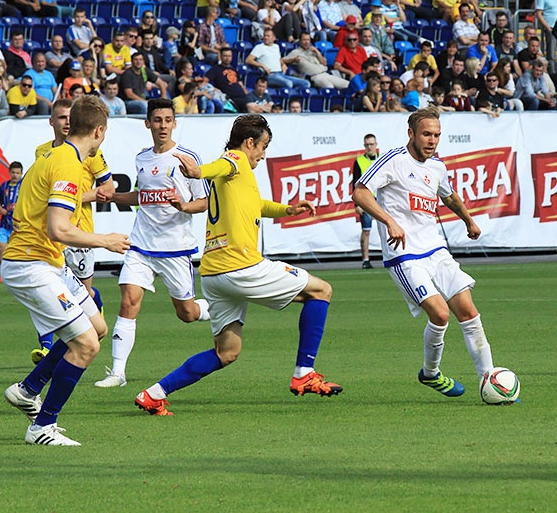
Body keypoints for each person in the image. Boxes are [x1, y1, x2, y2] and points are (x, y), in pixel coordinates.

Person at [134, 114, 343, 416]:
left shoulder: (236, 175)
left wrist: (288, 209)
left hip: (214, 274)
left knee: (227, 352)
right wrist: (196, 172)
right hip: (240, 266)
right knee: (322, 290)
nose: (263, 153)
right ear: (249, 142)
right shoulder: (235, 159)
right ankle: (304, 373)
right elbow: (224, 163)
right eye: (263, 146)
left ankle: (154, 394)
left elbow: (256, 205)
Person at [2, 96, 130, 446]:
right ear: (100, 131)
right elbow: (59, 229)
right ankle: (42, 427)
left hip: (48, 261)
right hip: (30, 264)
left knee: (97, 327)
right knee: (86, 345)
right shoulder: (69, 167)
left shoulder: (57, 156)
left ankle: (28, 389)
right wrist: (105, 240)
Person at [353, 108, 495, 398]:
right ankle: (431, 373)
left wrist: (468, 219)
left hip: (436, 251)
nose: (432, 141)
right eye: (427, 134)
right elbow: (360, 192)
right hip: (404, 255)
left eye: (437, 135)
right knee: (441, 314)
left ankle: (488, 380)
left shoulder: (437, 166)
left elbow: (449, 195)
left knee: (468, 311)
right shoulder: (393, 161)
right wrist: (389, 221)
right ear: (411, 134)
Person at [94, 99, 210, 388]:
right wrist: (115, 197)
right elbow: (142, 196)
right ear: (148, 123)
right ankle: (117, 373)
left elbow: (205, 201)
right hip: (142, 244)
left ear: (174, 123)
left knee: (186, 314)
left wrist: (183, 206)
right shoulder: (142, 158)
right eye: (157, 120)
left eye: (167, 120)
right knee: (128, 301)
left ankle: (213, 309)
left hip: (175, 247)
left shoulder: (187, 158)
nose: (162, 125)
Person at [30, 98, 115, 364]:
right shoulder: (43, 152)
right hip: (52, 234)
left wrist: (73, 198)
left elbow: (108, 188)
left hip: (80, 232)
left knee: (83, 293)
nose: (66, 122)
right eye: (62, 117)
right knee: (51, 291)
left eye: (70, 117)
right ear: (51, 121)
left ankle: (94, 305)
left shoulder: (89, 154)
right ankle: (45, 346)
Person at [352, 134, 378, 269]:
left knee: (389, 227)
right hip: (366, 199)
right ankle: (366, 259)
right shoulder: (359, 161)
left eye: (372, 144)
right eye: (367, 144)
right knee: (366, 230)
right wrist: (357, 204)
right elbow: (354, 184)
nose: (369, 147)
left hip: (382, 199)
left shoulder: (382, 159)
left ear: (376, 145)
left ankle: (392, 256)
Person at [0, 161, 23, 270]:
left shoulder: (24, 186)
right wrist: (0, 208)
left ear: (21, 173)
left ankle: (18, 271)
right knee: (1, 247)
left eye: (17, 173)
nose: (15, 175)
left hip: (19, 223)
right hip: (4, 223)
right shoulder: (4, 186)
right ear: (9, 172)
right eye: (13, 172)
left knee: (18, 250)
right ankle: (3, 271)